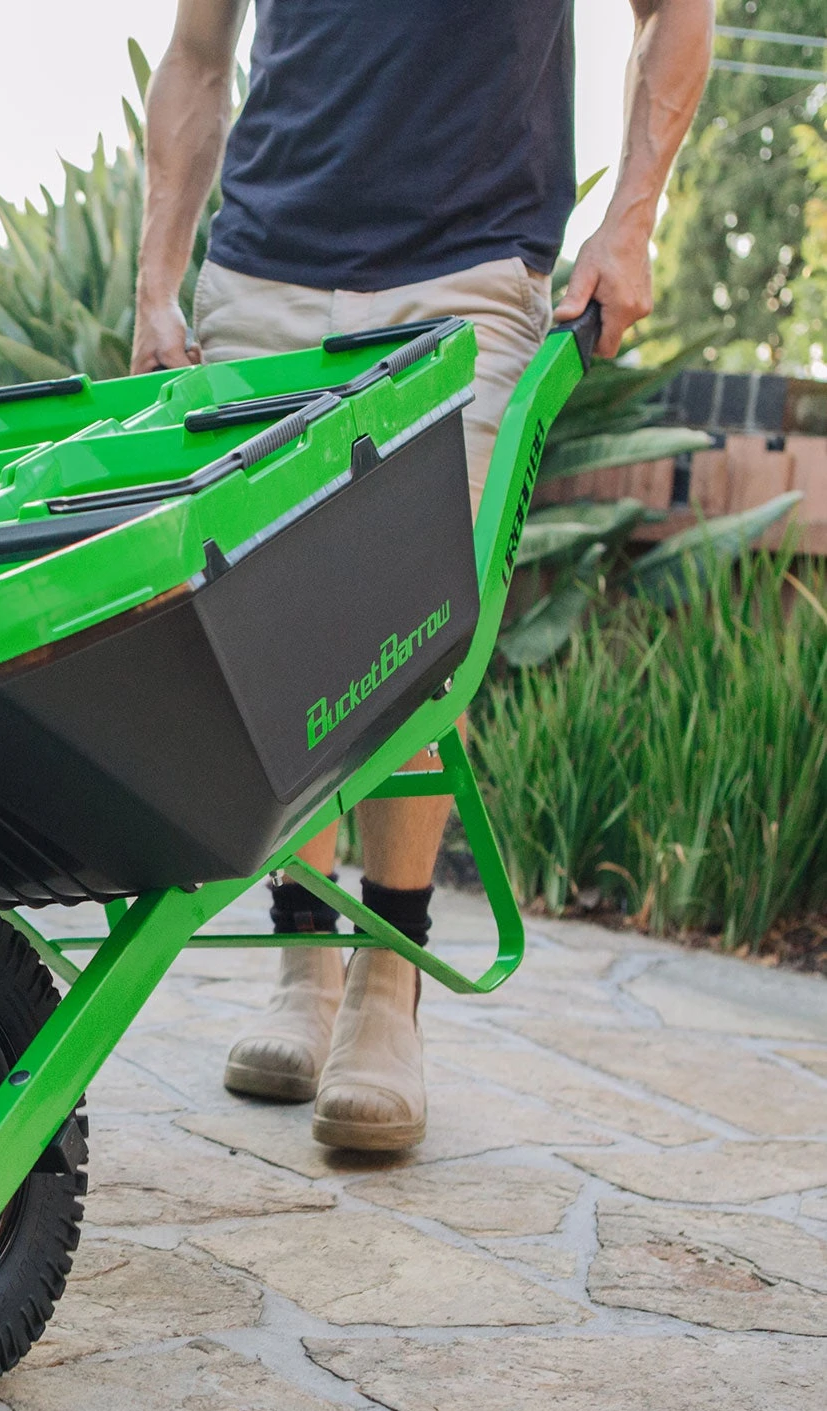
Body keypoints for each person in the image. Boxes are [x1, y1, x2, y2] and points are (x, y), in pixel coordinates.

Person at [133, 0, 711, 1150]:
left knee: (417, 632)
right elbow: (198, 53)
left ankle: (386, 980)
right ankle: (304, 966)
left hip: (465, 271)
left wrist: (631, 222)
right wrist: (158, 278)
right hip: (261, 271)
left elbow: (675, 13)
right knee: (276, 637)